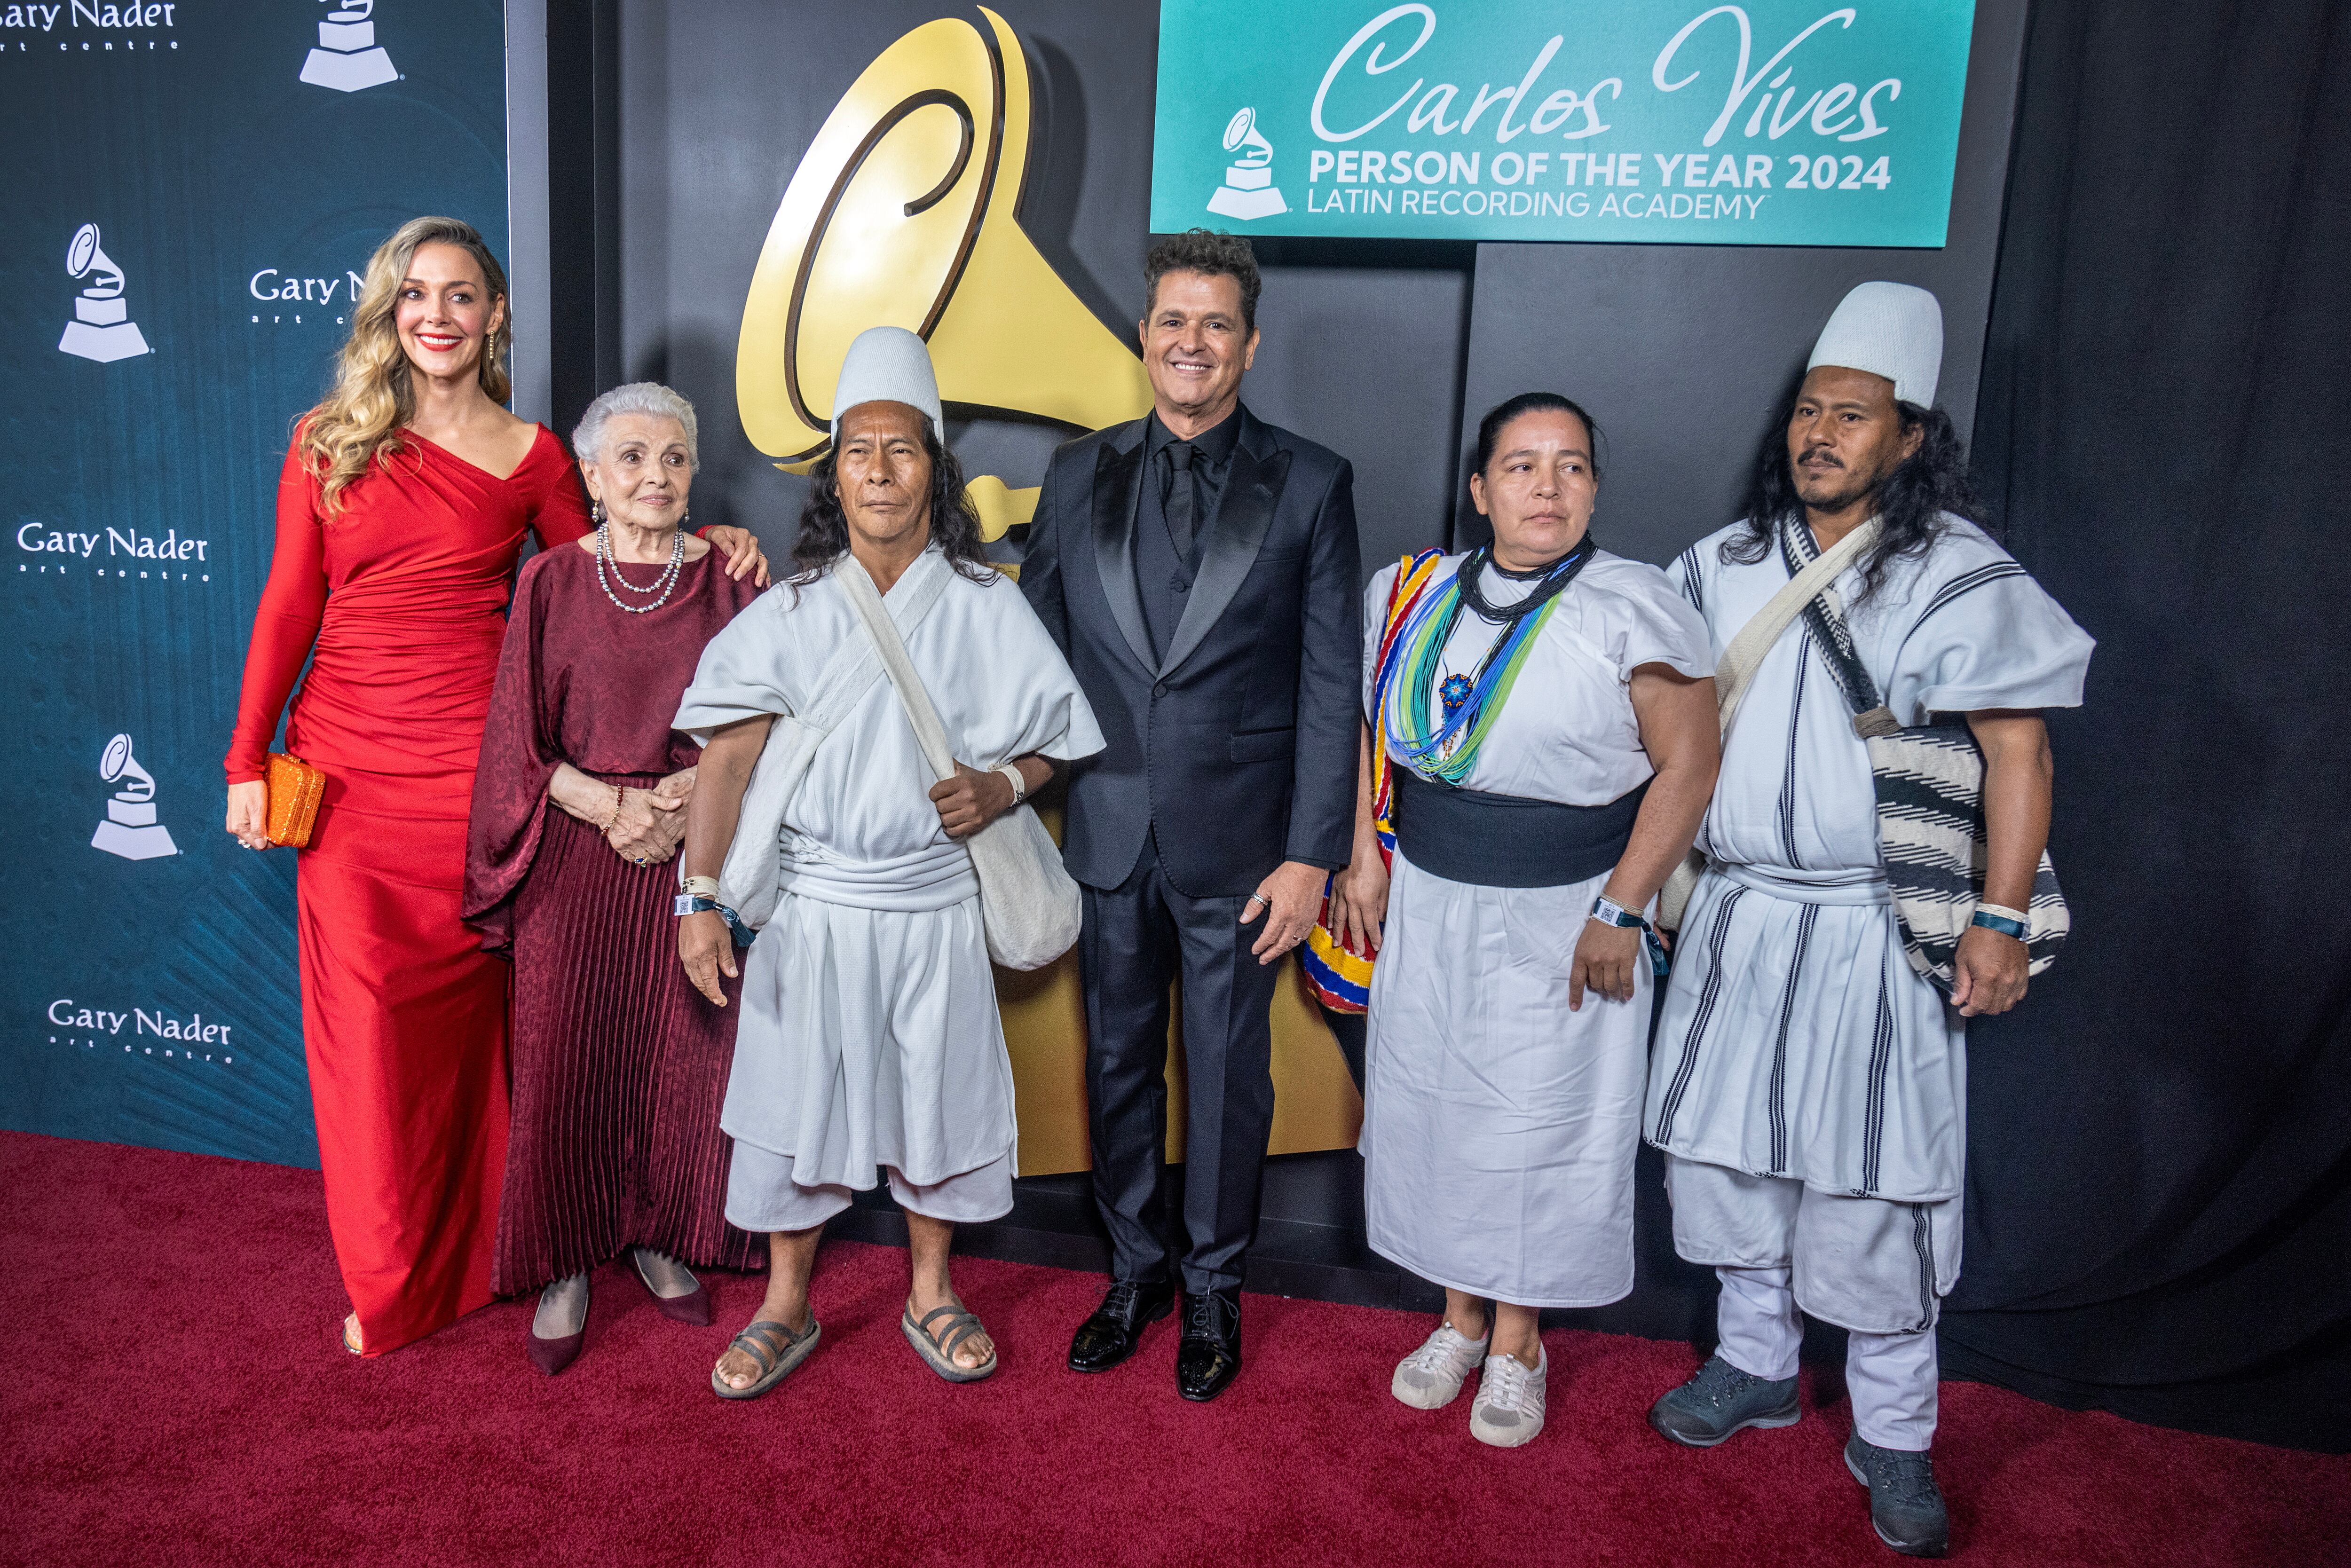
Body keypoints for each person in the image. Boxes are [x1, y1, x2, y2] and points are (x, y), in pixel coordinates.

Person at [221, 216, 767, 1357]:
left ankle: (510, 1247)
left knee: (496, 1037)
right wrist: (245, 761)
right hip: (351, 781)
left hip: (483, 785)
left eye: (461, 294)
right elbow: (287, 605)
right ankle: (397, 1281)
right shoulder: (329, 441)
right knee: (371, 1046)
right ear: (390, 311)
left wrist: (703, 535)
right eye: (417, 294)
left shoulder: (532, 456)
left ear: (494, 314)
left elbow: (608, 576)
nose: (438, 315)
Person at [1642, 284, 2093, 1556]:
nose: (1820, 434)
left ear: (1910, 436)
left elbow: (2021, 756)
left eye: (1852, 415)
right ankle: (1755, 1367)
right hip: (1736, 915)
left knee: (1874, 1190)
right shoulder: (1719, 565)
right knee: (1727, 1161)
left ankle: (1894, 1433)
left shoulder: (1955, 571)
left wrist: (1998, 919)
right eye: (1808, 411)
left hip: (1876, 927)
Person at [674, 327, 1103, 1400]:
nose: (878, 469)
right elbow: (726, 764)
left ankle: (931, 1293)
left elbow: (1058, 739)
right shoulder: (791, 610)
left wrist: (1004, 786)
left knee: (938, 1099)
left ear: (934, 470)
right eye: (858, 450)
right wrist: (699, 898)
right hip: (814, 910)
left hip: (934, 905)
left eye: (901, 449)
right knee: (792, 1105)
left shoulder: (987, 603)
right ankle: (785, 1305)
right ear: (835, 475)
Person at [1329, 393, 1718, 1448]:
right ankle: (1457, 1319)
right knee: (1438, 1111)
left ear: (1593, 487)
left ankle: (1518, 1342)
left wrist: (1621, 907)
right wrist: (1365, 854)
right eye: (1521, 466)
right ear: (1479, 489)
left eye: (1571, 466)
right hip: (1430, 894)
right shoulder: (1408, 592)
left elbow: (1690, 766)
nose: (1548, 487)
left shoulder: (1632, 603)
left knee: (1541, 1126)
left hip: (1568, 909)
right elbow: (1365, 731)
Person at [1020, 229, 1362, 1402]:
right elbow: (1031, 648)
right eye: (1173, 319)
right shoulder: (1076, 472)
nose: (1192, 341)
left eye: (1216, 323)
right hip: (1108, 830)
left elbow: (1331, 682)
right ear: (1144, 334)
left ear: (1249, 345)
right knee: (1118, 1065)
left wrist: (1313, 855)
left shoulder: (1312, 479)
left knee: (1224, 1076)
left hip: (1245, 846)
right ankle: (1135, 1273)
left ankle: (1214, 1287)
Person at [463, 382, 765, 1375]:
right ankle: (564, 1259)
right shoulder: (549, 580)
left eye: (674, 458)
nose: (655, 476)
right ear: (591, 477)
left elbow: (766, 723)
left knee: (681, 1055)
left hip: (694, 851)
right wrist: (607, 805)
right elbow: (514, 735)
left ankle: (661, 1233)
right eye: (630, 458)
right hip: (574, 859)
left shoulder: (732, 579)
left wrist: (680, 800)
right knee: (566, 1061)